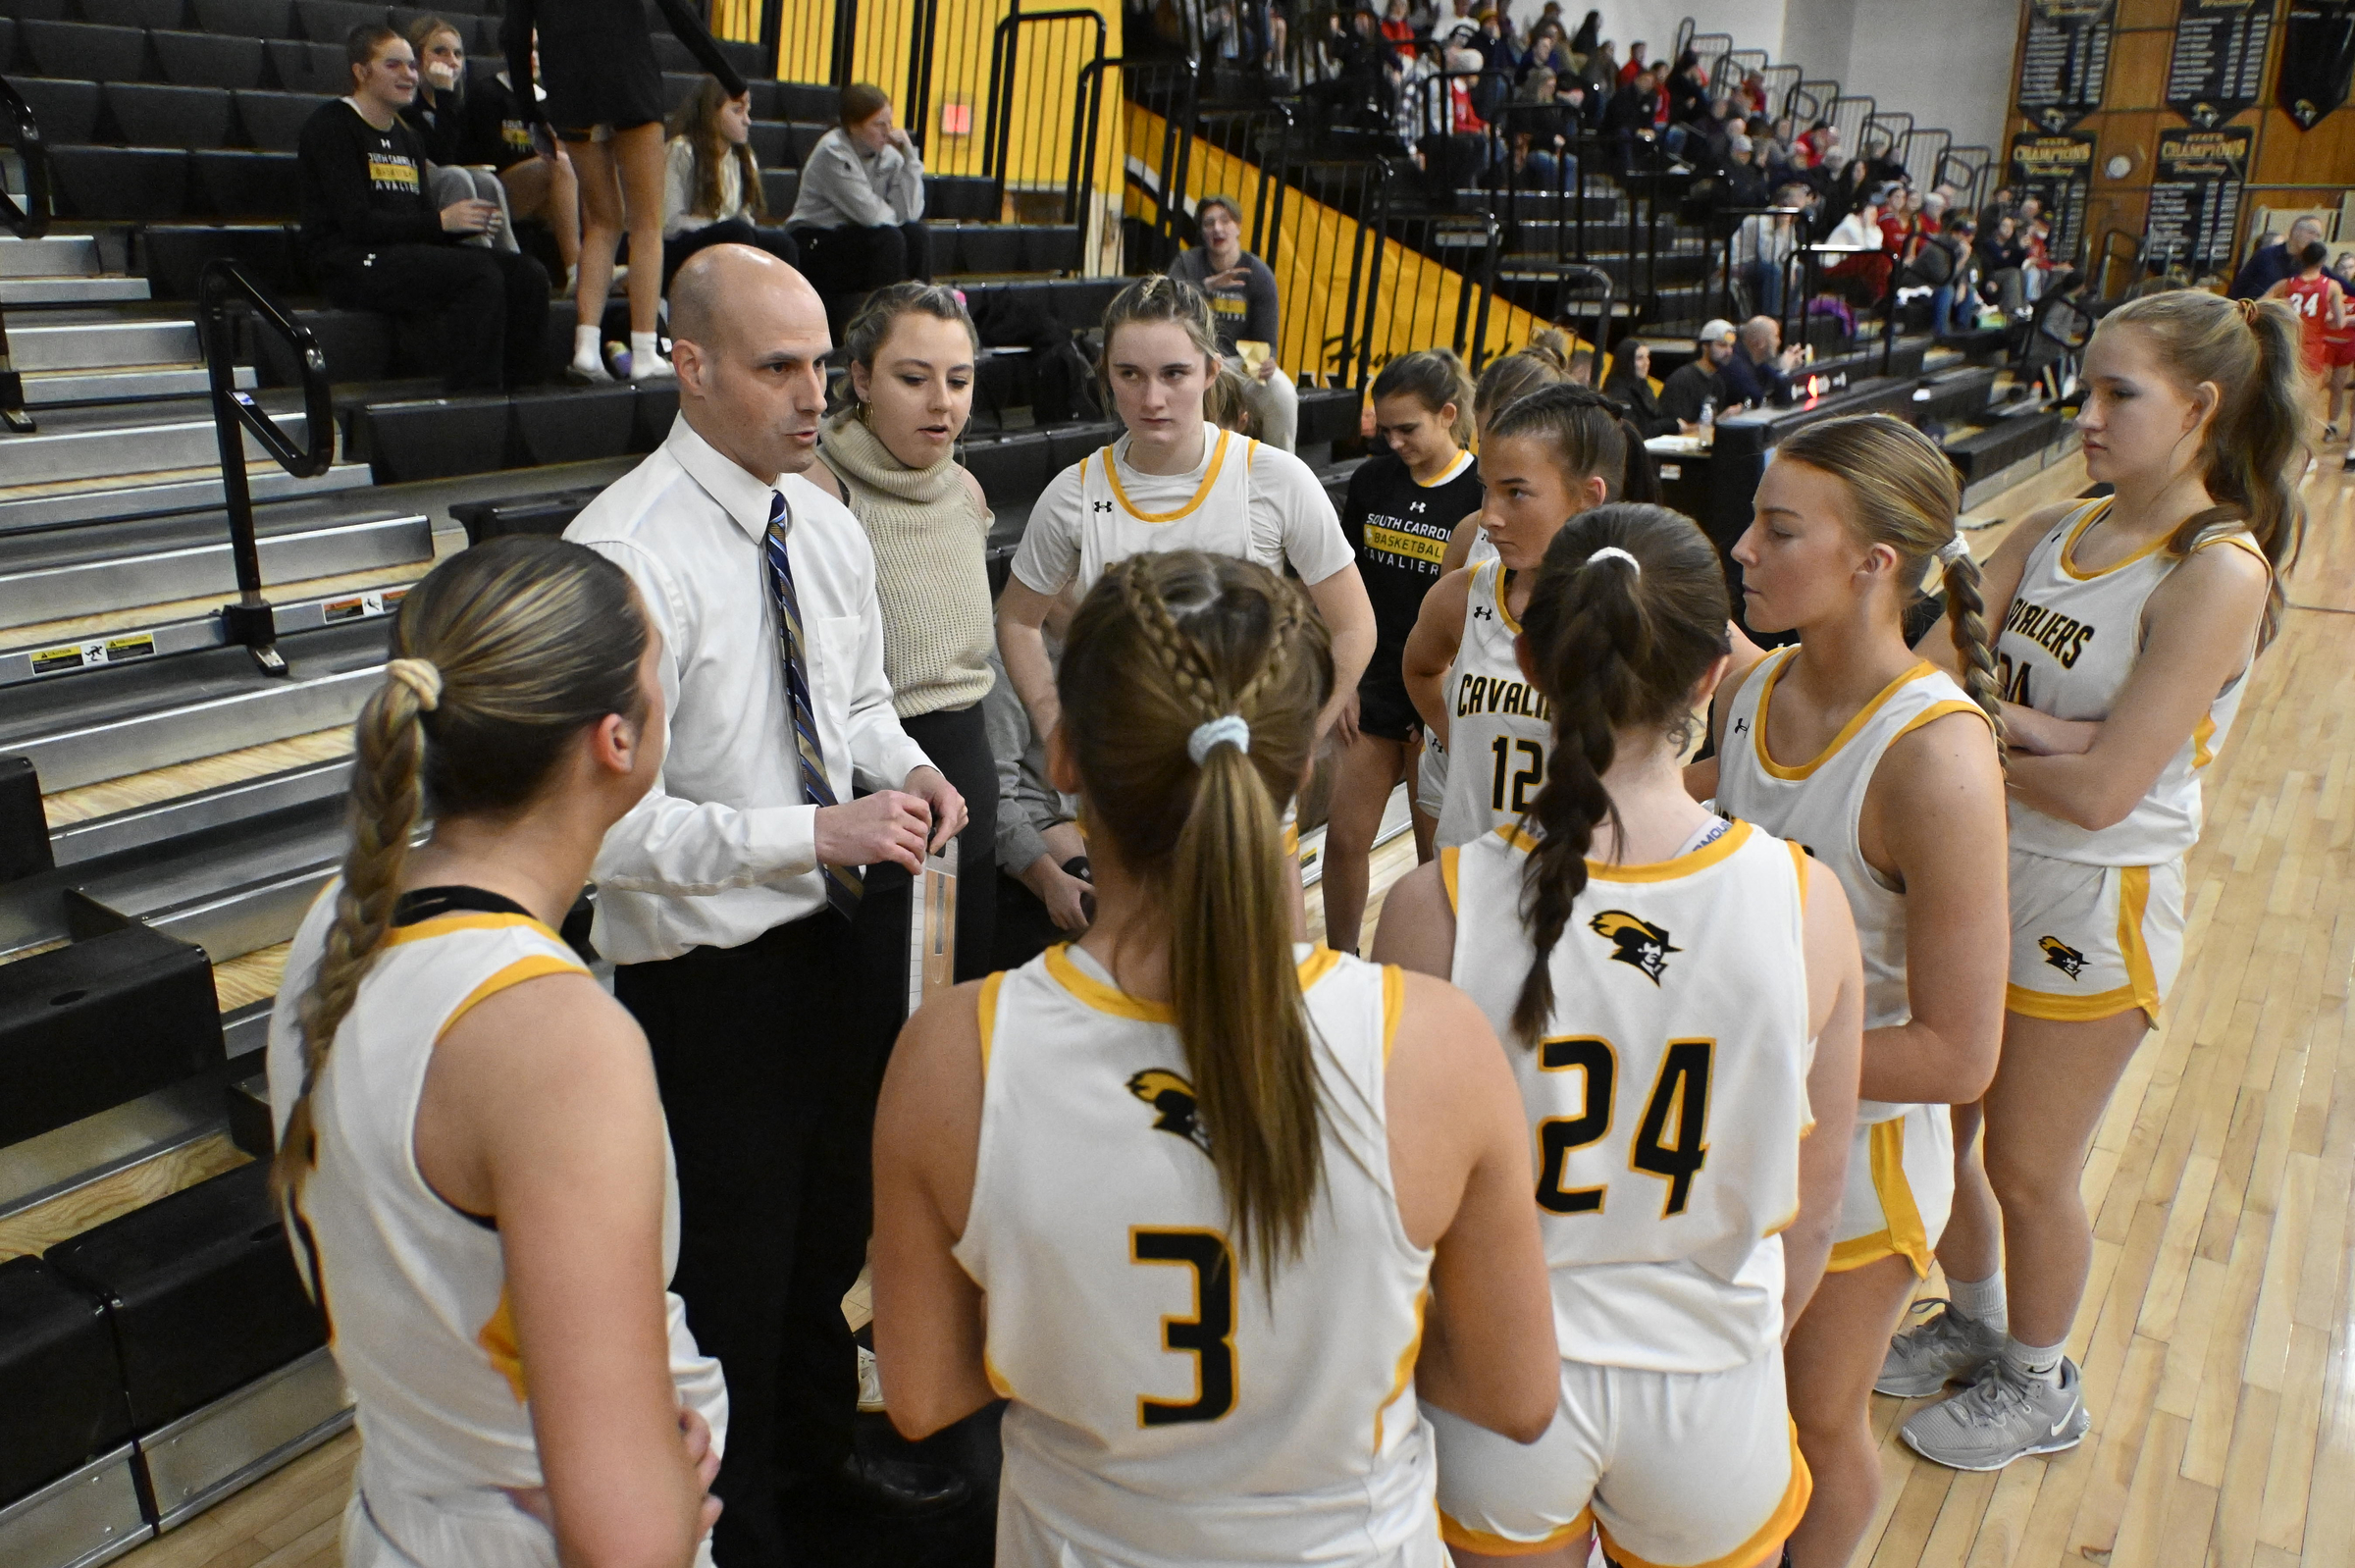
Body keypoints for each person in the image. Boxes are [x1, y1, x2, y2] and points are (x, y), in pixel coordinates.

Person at [870, 549, 1560, 1568]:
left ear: (1066, 757)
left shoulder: (950, 1053)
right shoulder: (1438, 1041)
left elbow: (923, 1395)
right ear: (1298, 760)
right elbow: (1516, 1392)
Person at [563, 246, 971, 1566]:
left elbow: (848, 701)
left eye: (817, 363)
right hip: (705, 985)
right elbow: (610, 830)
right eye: (778, 365)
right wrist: (819, 826)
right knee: (729, 1279)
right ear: (690, 366)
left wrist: (904, 764)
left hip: (834, 940)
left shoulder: (823, 518)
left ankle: (814, 1468)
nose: (813, 395)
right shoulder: (623, 552)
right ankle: (742, 1526)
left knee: (825, 1248)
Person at [1376, 504, 1864, 1568]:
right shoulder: (1806, 901)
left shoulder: (1432, 906)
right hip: (1711, 1375)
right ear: (1706, 679)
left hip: (1500, 1381)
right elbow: (1816, 1205)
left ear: (1537, 665)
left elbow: (1400, 1206)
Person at [1888, 289, 2305, 1472]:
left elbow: (2107, 787)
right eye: (2087, 389)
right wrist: (2031, 734)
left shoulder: (2219, 569)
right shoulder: (2052, 530)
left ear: (2202, 408)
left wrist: (2001, 732)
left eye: (2120, 393)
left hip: (2095, 894)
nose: (2088, 415)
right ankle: (1972, 1316)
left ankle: (2041, 1379)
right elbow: (1921, 691)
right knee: (1944, 1117)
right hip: (1985, 863)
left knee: (2027, 1162)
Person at [265, 536, 725, 1567]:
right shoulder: (555, 1038)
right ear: (617, 738)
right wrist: (654, 1489)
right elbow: (623, 1537)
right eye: (661, 662)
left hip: (408, 1499)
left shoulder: (336, 921)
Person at [1692, 414, 2009, 1565]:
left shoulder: (1936, 754)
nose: (1742, 547)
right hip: (1734, 1116)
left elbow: (1960, 1053)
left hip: (1862, 1151)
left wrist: (1736, 1048)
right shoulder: (1755, 685)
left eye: (1778, 530)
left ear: (1877, 563)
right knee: (1725, 1404)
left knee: (1812, 1413)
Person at [995, 274, 1376, 756]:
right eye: (1129, 374)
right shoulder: (1073, 493)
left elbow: (1355, 624)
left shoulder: (1277, 479)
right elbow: (1017, 621)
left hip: (1246, 792)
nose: (1152, 399)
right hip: (1122, 789)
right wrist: (1055, 725)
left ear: (1211, 372)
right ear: (1105, 373)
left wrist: (1298, 741)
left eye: (1174, 373)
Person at [804, 282, 999, 981]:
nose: (941, 402)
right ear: (860, 379)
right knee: (881, 1025)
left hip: (970, 775)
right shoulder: (820, 492)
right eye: (913, 379)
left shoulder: (966, 490)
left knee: (957, 1014)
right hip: (876, 787)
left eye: (959, 380)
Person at [1403, 385, 1652, 851]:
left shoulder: (1648, 605)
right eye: (1486, 490)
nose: (1488, 518)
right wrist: (1464, 746)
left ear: (1587, 496)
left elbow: (1750, 678)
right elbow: (1419, 669)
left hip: (1582, 887)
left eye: (1515, 493)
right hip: (1470, 879)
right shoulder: (1463, 594)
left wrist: (1675, 793)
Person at [1324, 348, 1482, 953]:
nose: (1393, 442)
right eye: (1384, 429)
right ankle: (1342, 962)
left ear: (1447, 414)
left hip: (1438, 691)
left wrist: (1437, 703)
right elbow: (1345, 589)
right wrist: (1343, 681)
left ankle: (1434, 977)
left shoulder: (1478, 493)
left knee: (1430, 858)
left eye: (1407, 428)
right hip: (1372, 685)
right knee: (1343, 839)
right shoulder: (1371, 481)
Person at [501, 0, 746, 383]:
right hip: (629, 84)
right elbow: (681, 16)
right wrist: (732, 80)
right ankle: (645, 350)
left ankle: (585, 348)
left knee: (600, 223)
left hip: (571, 94)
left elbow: (512, 35)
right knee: (646, 225)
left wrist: (531, 112)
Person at [296, 26, 550, 393]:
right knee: (479, 274)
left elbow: (418, 221)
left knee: (527, 272)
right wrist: (442, 222)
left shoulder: (408, 137)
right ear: (361, 72)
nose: (410, 75)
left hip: (400, 252)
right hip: (348, 261)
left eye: (413, 66)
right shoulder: (332, 126)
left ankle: (525, 392)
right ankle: (475, 394)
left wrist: (461, 225)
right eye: (394, 65)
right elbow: (356, 223)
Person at [787, 84, 931, 332]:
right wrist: (894, 218)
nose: (888, 132)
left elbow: (910, 212)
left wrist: (910, 159)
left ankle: (923, 319)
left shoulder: (889, 155)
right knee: (890, 240)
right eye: (878, 124)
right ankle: (883, 329)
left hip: (858, 236)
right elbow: (870, 214)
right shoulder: (832, 152)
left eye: (889, 123)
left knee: (917, 235)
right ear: (853, 126)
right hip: (816, 240)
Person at [1167, 195, 1299, 451]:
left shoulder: (1258, 274)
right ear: (1202, 232)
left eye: (1224, 221)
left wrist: (1266, 361)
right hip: (1195, 362)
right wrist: (1206, 287)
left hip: (1239, 365)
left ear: (1238, 226)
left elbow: (1266, 342)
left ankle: (1284, 466)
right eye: (1208, 223)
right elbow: (1165, 302)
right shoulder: (1188, 263)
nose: (1217, 228)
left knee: (1281, 391)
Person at [458, 31, 581, 294]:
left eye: (537, 48)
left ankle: (598, 265)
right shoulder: (486, 93)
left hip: (543, 189)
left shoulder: (548, 99)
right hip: (496, 187)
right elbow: (483, 155)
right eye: (524, 49)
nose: (533, 57)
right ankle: (576, 268)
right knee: (557, 165)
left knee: (588, 171)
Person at [661, 79, 799, 287]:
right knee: (736, 232)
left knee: (782, 243)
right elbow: (670, 224)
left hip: (726, 237)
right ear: (712, 114)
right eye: (737, 111)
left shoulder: (742, 158)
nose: (747, 121)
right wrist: (720, 226)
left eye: (748, 112)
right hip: (680, 246)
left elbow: (743, 216)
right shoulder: (682, 150)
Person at [2264, 239, 2348, 424]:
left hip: (2287, 343)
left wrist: (2280, 307)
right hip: (2312, 347)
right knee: (2306, 402)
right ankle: (2303, 447)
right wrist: (2324, 322)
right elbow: (2339, 323)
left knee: (2282, 394)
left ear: (2302, 259)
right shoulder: (2332, 286)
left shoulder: (2285, 284)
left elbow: (2260, 305)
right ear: (2323, 261)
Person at [1731, 182, 1806, 318]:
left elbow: (1791, 251)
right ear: (1783, 205)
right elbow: (1767, 255)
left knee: (1799, 269)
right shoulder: (1761, 219)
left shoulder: (1789, 223)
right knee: (1774, 269)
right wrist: (1781, 230)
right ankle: (1772, 316)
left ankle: (1790, 316)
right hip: (1741, 262)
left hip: (1763, 263)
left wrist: (1792, 268)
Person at [2227, 213, 2340, 299]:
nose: (2314, 239)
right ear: (2296, 231)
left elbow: (2341, 283)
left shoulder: (2311, 263)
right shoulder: (2265, 255)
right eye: (2311, 233)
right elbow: (2239, 287)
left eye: (2318, 235)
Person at [1657, 319, 1735, 431]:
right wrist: (1718, 421)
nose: (1729, 351)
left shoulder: (1718, 381)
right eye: (1722, 345)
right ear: (1705, 346)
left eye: (1731, 346)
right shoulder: (1682, 379)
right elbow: (1675, 426)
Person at [1718, 314, 1801, 409]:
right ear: (1761, 343)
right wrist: (1784, 371)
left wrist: (1783, 371)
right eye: (1776, 336)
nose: (1779, 342)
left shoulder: (1759, 362)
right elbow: (1760, 401)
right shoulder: (1736, 366)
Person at [1601, 339, 1669, 438]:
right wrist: (1669, 426)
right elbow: (1632, 431)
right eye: (1640, 358)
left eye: (1648, 357)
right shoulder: (1617, 393)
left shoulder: (1644, 388)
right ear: (1626, 361)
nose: (1646, 363)